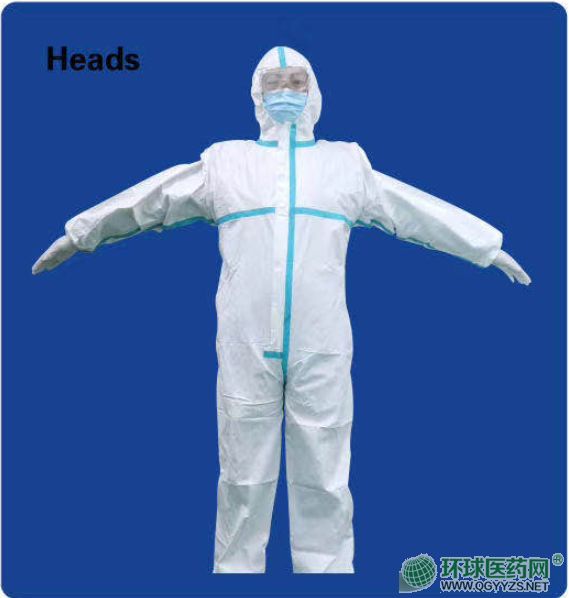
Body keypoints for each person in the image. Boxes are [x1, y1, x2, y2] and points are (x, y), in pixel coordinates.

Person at [32, 46, 530, 574]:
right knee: (242, 472)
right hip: (245, 342)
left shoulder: (345, 165)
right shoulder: (227, 163)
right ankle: (236, 573)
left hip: (322, 343)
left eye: (296, 82)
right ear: (257, 92)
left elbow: (412, 208)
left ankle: (327, 572)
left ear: (313, 92)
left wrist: (485, 247)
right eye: (275, 82)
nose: (286, 91)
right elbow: (155, 198)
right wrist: (80, 234)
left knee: (325, 471)